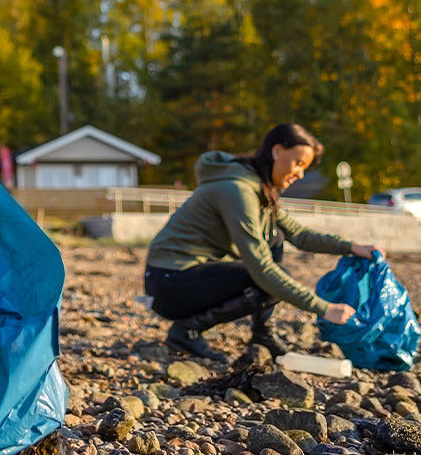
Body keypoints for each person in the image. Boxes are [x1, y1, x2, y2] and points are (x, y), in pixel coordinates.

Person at [143, 123, 379, 362]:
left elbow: (300, 235)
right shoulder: (238, 190)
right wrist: (324, 308)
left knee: (274, 237)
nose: (300, 174)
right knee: (270, 277)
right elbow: (262, 269)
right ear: (277, 152)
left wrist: (350, 247)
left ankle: (262, 332)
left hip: (179, 280)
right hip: (168, 284)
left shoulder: (258, 189)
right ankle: (186, 331)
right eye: (298, 164)